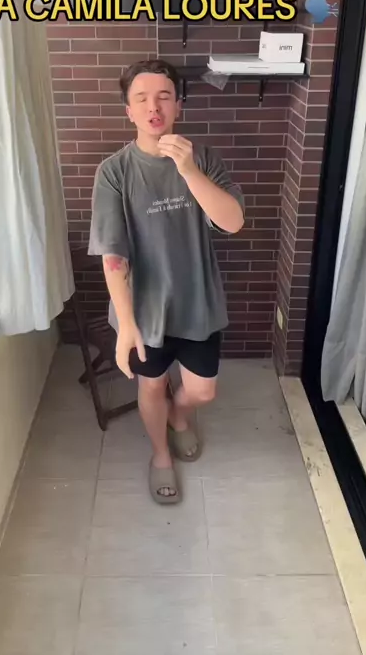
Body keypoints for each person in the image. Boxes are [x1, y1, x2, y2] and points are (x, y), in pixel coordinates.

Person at [88, 58, 244, 504]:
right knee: (151, 385)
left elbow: (232, 222)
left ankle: (180, 414)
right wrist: (126, 324)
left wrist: (189, 170)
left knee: (202, 391)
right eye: (141, 99)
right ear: (129, 111)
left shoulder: (204, 159)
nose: (153, 107)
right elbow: (113, 255)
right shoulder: (114, 172)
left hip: (198, 302)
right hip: (144, 307)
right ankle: (160, 454)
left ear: (178, 105)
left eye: (163, 97)